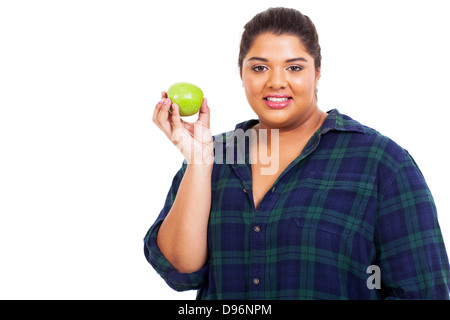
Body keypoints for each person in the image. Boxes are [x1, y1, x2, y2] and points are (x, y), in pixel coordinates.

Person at [144, 7, 450, 299]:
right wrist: (198, 163)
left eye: (294, 67)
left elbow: (423, 292)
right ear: (241, 74)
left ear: (317, 73)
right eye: (260, 67)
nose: (277, 81)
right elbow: (180, 272)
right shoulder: (214, 155)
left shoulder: (382, 163)